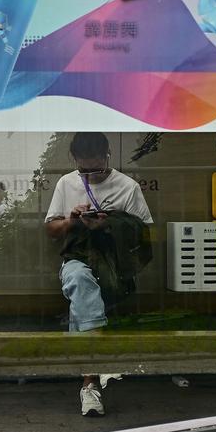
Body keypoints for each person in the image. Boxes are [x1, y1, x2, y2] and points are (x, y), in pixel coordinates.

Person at [45, 133, 153, 417]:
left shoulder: (127, 187)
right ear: (74, 160)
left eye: (97, 169)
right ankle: (92, 378)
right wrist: (72, 220)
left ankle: (90, 383)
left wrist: (109, 224)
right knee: (79, 280)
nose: (90, 175)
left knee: (81, 297)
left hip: (115, 265)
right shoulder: (66, 183)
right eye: (84, 170)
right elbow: (52, 230)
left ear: (108, 156)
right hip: (77, 258)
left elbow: (144, 234)